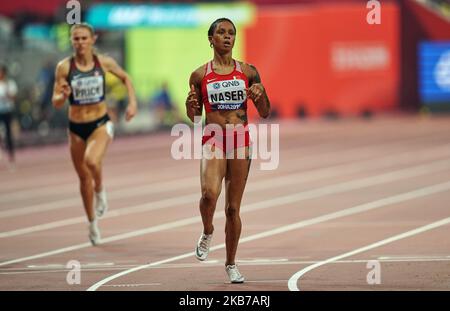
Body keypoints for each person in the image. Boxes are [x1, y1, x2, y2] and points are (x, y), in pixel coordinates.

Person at [185, 18, 271, 283]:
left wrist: (261, 94)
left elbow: (266, 112)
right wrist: (189, 105)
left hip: (240, 140)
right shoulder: (200, 75)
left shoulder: (248, 71)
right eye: (221, 32)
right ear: (210, 39)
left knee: (233, 209)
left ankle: (231, 263)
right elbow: (193, 115)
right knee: (208, 195)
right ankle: (208, 230)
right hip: (213, 138)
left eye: (231, 33)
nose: (227, 36)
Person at [52, 23, 138, 246]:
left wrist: (132, 104)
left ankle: (100, 189)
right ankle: (92, 223)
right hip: (76, 127)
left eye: (83, 38)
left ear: (93, 40)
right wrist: (63, 96)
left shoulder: (103, 63)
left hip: (100, 123)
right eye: (76, 39)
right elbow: (56, 101)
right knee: (82, 179)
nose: (79, 42)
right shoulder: (64, 67)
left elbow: (126, 78)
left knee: (91, 161)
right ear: (72, 41)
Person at [0, 64, 18, 168]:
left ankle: (11, 157)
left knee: (8, 134)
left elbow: (14, 98)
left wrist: (7, 95)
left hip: (7, 111)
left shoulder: (10, 84)